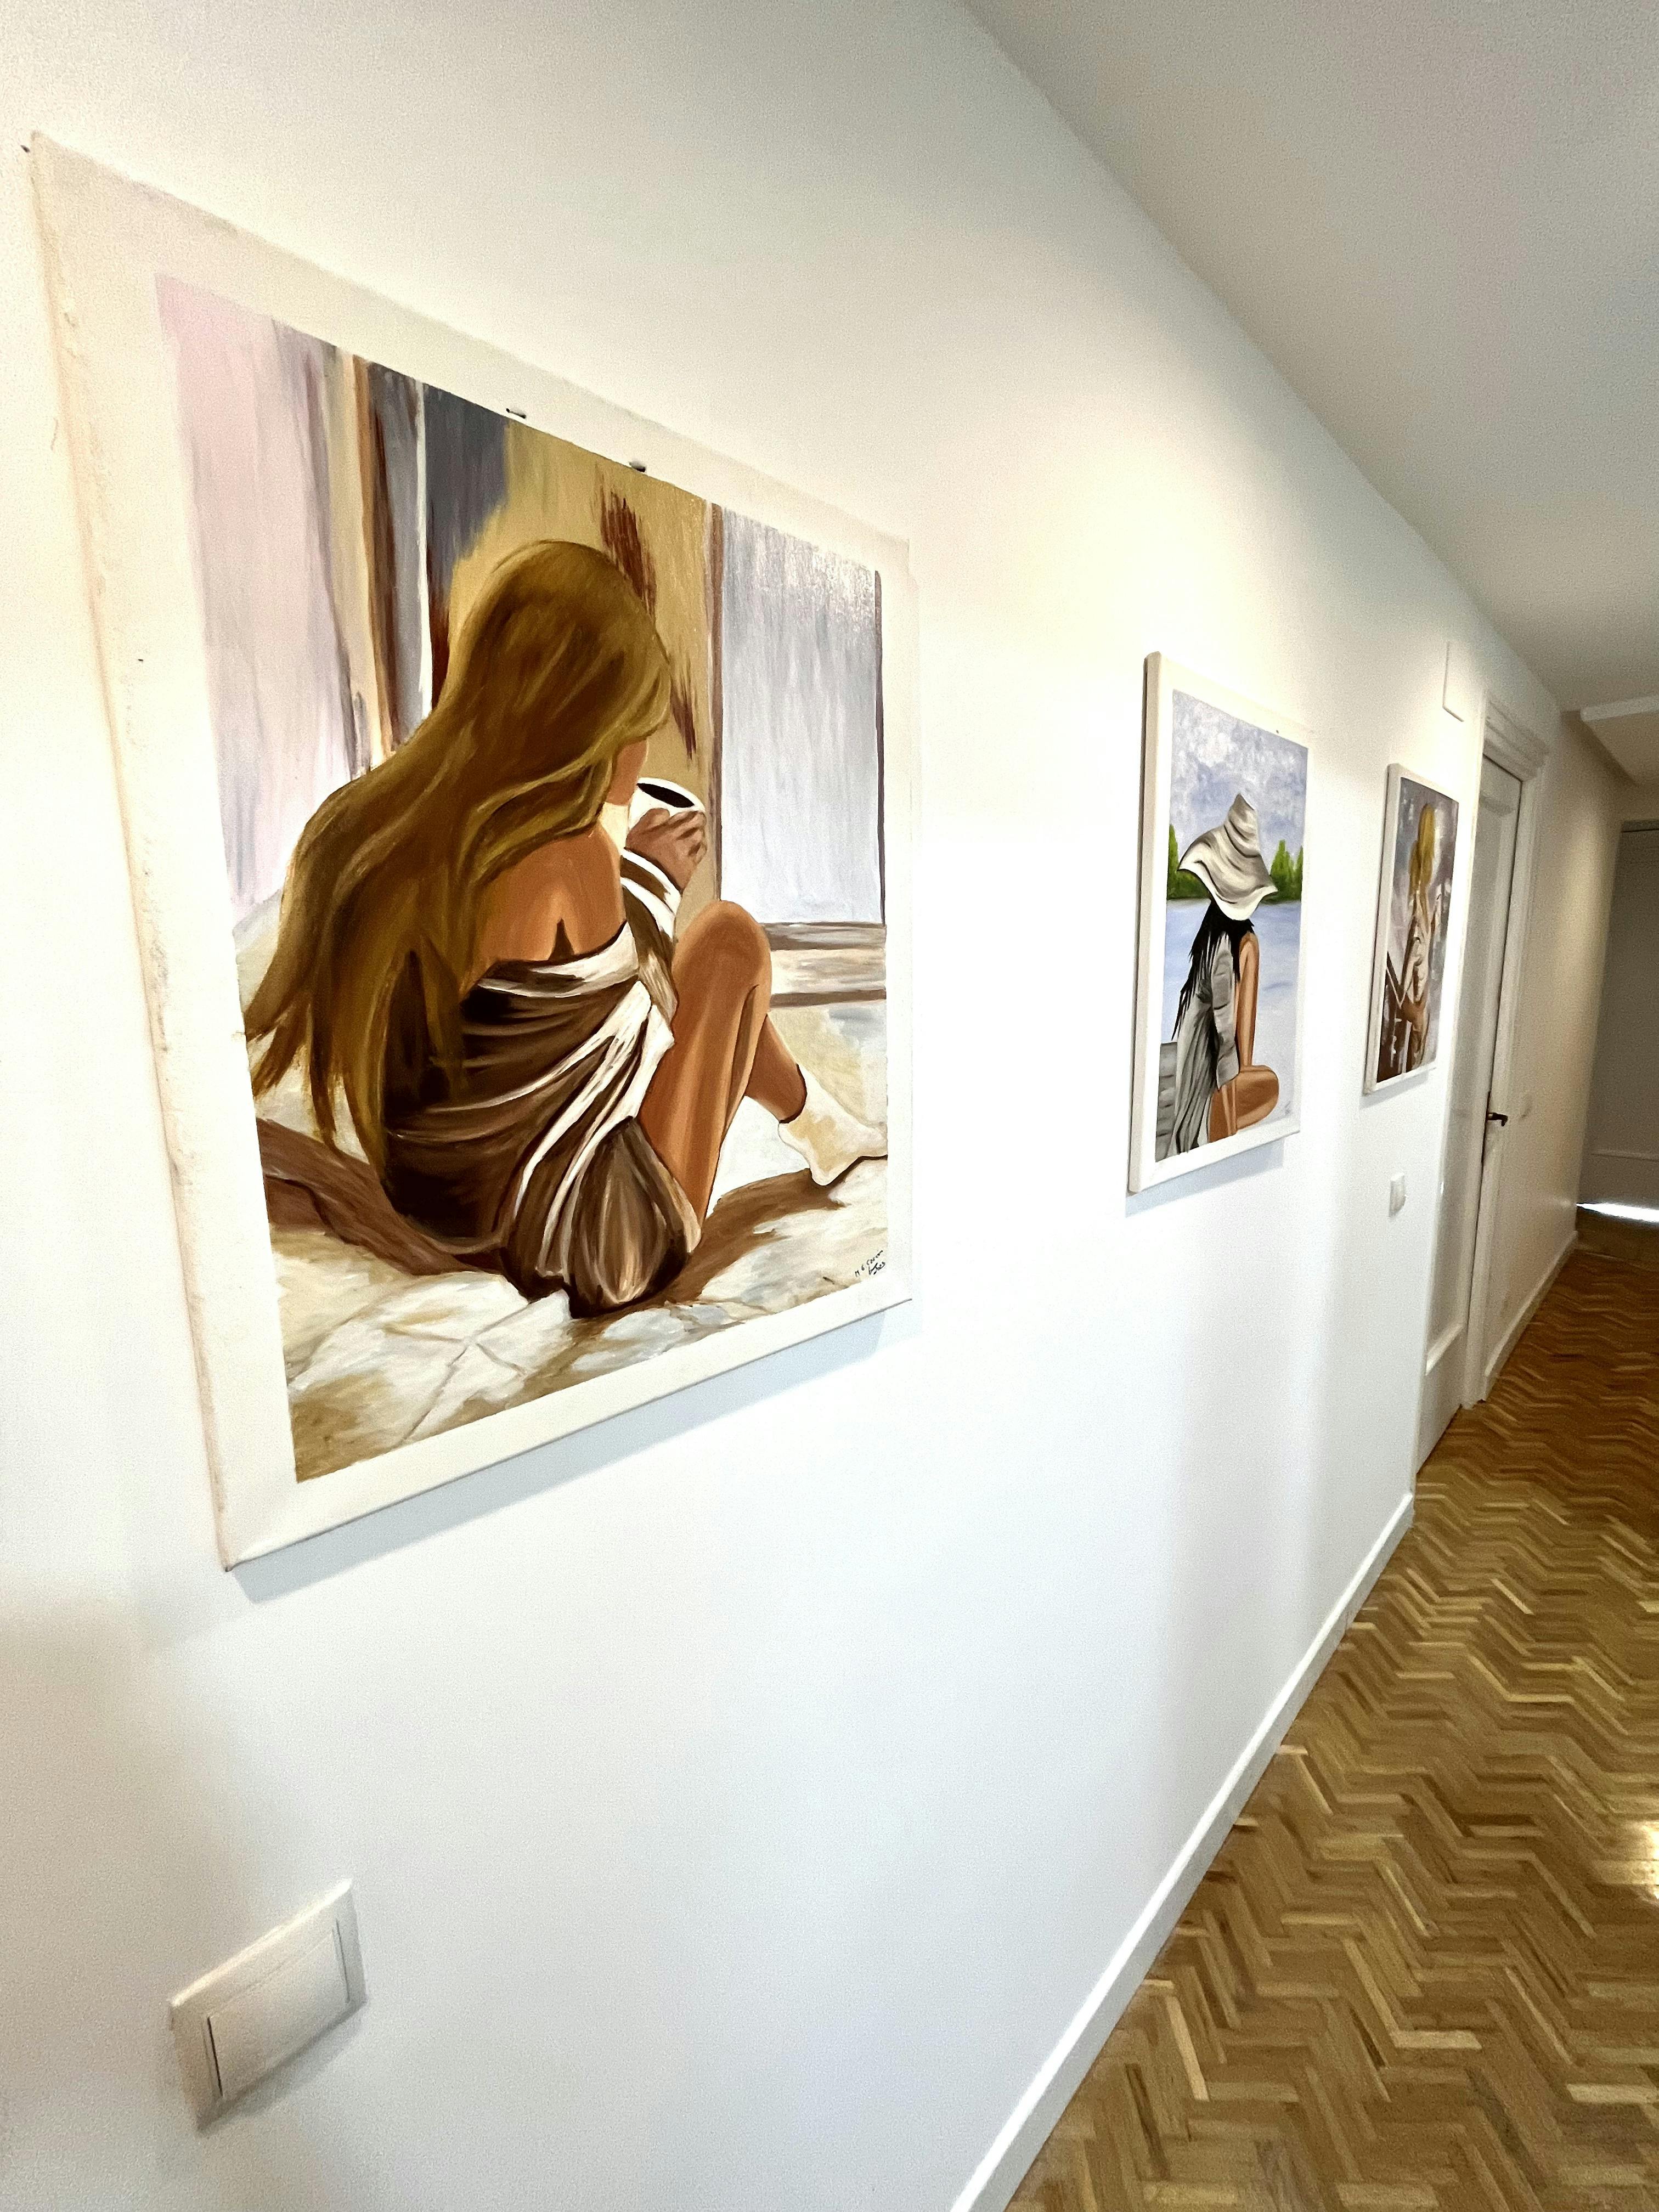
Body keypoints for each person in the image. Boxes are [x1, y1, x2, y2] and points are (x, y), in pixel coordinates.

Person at [246, 539, 884, 1316]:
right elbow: (644, 1020)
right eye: (635, 725)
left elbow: (553, 1026)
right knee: (730, 944)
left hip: (447, 1209)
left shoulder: (387, 830)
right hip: (584, 1240)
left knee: (700, 980)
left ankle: (824, 1126)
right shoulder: (566, 855)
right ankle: (821, 1125)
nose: (640, 748)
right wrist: (652, 877)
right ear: (588, 723)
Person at [1155, 792, 1281, 1158]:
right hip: (1213, 1076)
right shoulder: (1244, 945)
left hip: (1193, 1067)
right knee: (1269, 1085)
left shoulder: (1211, 936)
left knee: (1262, 1084)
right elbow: (1233, 1037)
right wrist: (1232, 1086)